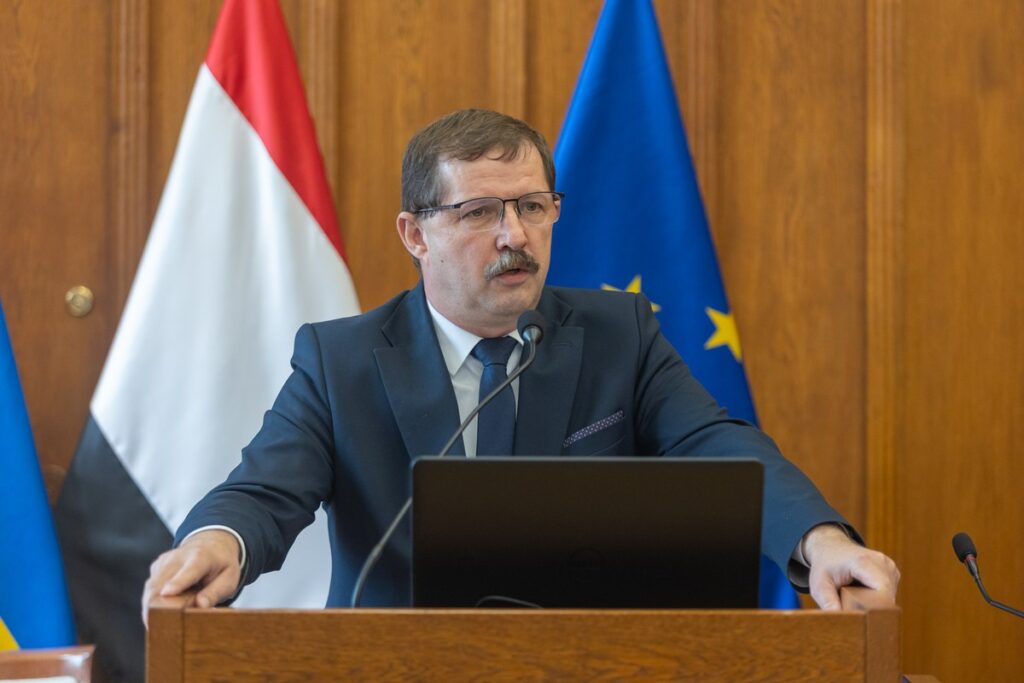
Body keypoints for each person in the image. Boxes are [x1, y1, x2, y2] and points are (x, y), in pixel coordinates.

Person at [143, 108, 899, 620]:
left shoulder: (618, 336)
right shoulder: (340, 361)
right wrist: (218, 543)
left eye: (533, 207)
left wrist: (820, 540)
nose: (516, 236)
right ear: (415, 233)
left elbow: (720, 445)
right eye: (480, 213)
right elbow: (267, 489)